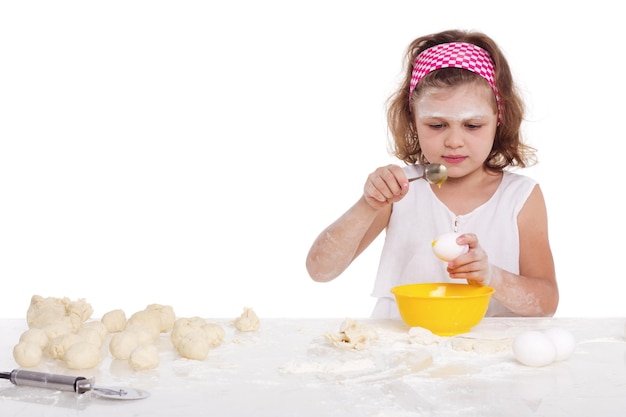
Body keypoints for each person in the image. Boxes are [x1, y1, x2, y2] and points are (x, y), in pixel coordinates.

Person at [305, 29, 559, 318]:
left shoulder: (520, 197)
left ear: (498, 121)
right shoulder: (399, 189)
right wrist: (369, 203)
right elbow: (320, 270)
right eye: (437, 126)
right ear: (413, 120)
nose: (453, 141)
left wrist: (492, 276)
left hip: (488, 355)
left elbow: (546, 303)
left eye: (472, 126)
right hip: (402, 349)